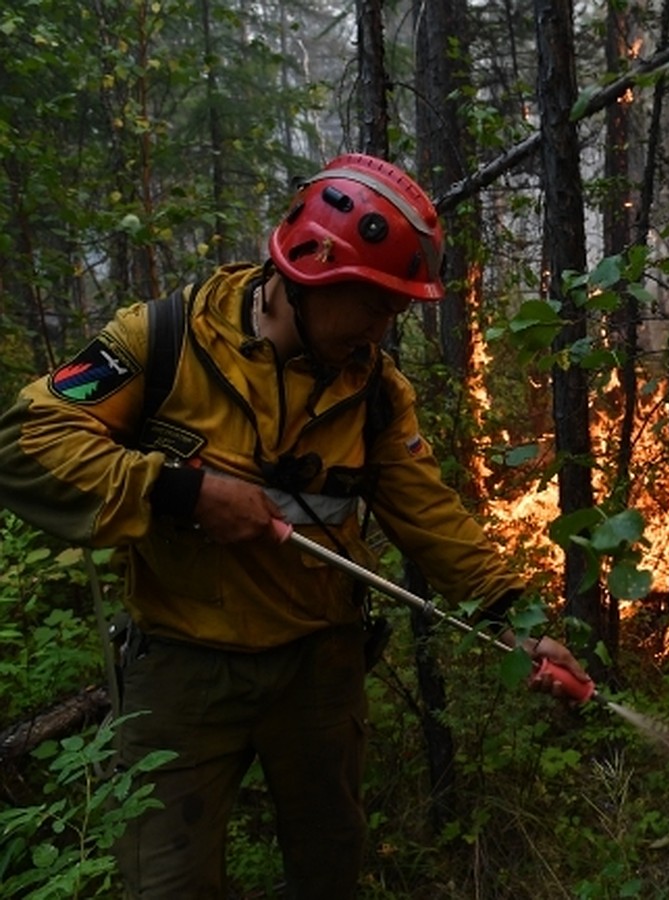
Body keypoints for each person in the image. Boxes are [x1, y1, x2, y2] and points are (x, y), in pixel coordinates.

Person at [0, 153, 590, 899]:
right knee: (163, 883)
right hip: (182, 669)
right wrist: (182, 492)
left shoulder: (374, 390)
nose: (384, 328)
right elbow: (26, 443)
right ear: (310, 273)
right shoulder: (163, 341)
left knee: (328, 869)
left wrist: (518, 617)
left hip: (320, 671)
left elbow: (432, 515)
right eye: (375, 304)